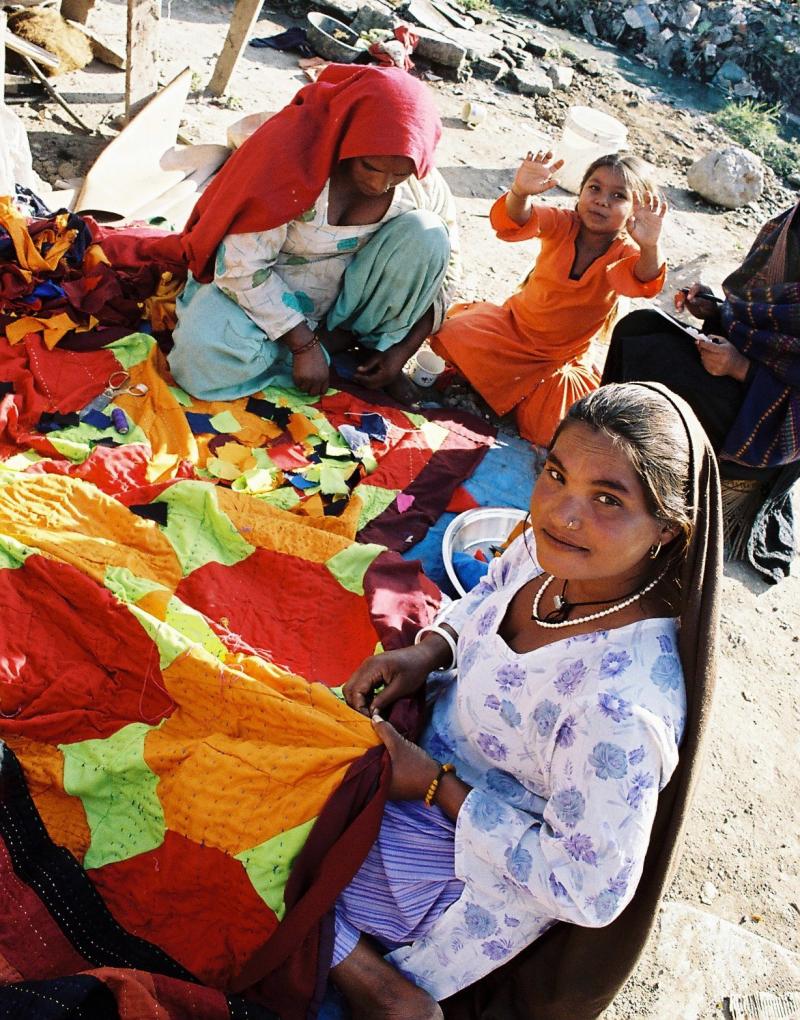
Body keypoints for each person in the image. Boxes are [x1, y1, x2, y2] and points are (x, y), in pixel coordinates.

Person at [331, 383, 721, 1020]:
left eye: (607, 498)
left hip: (473, 868)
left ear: (669, 533)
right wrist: (425, 653)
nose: (562, 512)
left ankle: (384, 988)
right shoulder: (549, 555)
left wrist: (437, 788)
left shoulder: (618, 709)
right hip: (421, 760)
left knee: (279, 858)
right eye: (557, 473)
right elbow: (484, 599)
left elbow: (589, 890)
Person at [167, 64, 459, 403]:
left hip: (346, 305)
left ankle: (360, 347)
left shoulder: (423, 182)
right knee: (199, 363)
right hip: (261, 286)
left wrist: (402, 351)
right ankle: (320, 354)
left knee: (428, 234)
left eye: (399, 174)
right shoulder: (291, 159)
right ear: (348, 136)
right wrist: (303, 344)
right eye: (370, 167)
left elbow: (445, 269)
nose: (380, 185)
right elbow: (240, 265)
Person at [602, 198, 800, 583]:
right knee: (638, 330)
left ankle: (645, 498)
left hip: (771, 422)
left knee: (660, 382)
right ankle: (603, 451)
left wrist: (740, 368)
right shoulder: (790, 223)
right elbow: (756, 313)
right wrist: (716, 310)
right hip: (745, 365)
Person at [430, 151, 668, 448]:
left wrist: (651, 245)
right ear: (580, 191)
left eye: (618, 196)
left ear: (636, 210)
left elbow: (645, 279)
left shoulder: (623, 252)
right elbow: (518, 219)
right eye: (594, 188)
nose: (602, 200)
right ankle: (503, 391)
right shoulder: (562, 223)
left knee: (557, 427)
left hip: (558, 361)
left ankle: (498, 391)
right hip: (512, 331)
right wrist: (519, 191)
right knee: (454, 332)